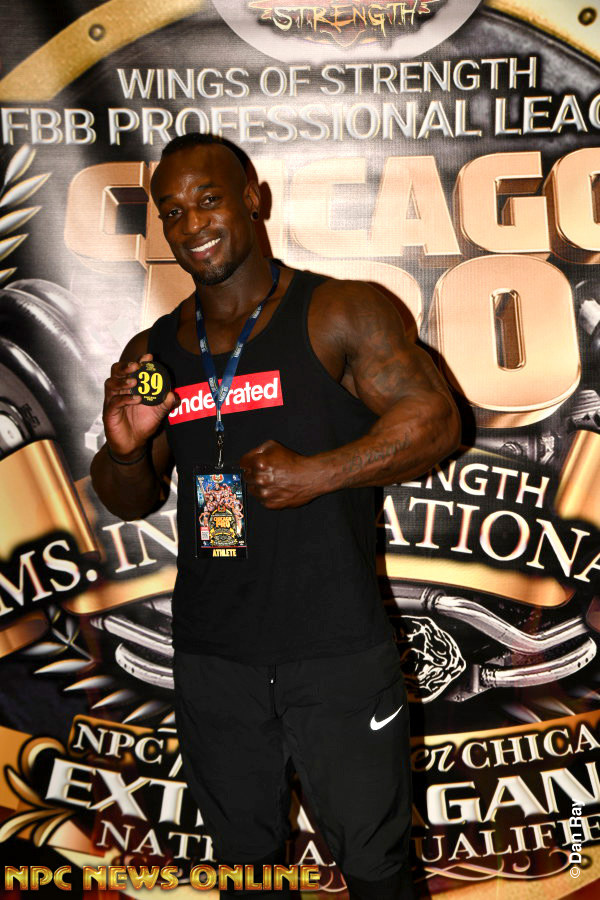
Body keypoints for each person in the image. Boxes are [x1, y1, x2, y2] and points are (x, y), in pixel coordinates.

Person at [91, 133, 461, 899]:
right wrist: (125, 449)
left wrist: (318, 474)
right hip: (214, 654)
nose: (192, 224)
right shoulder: (158, 350)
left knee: (377, 870)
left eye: (209, 200)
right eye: (172, 211)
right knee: (246, 871)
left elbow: (435, 422)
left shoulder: (340, 310)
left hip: (335, 649)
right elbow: (132, 497)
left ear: (254, 199)